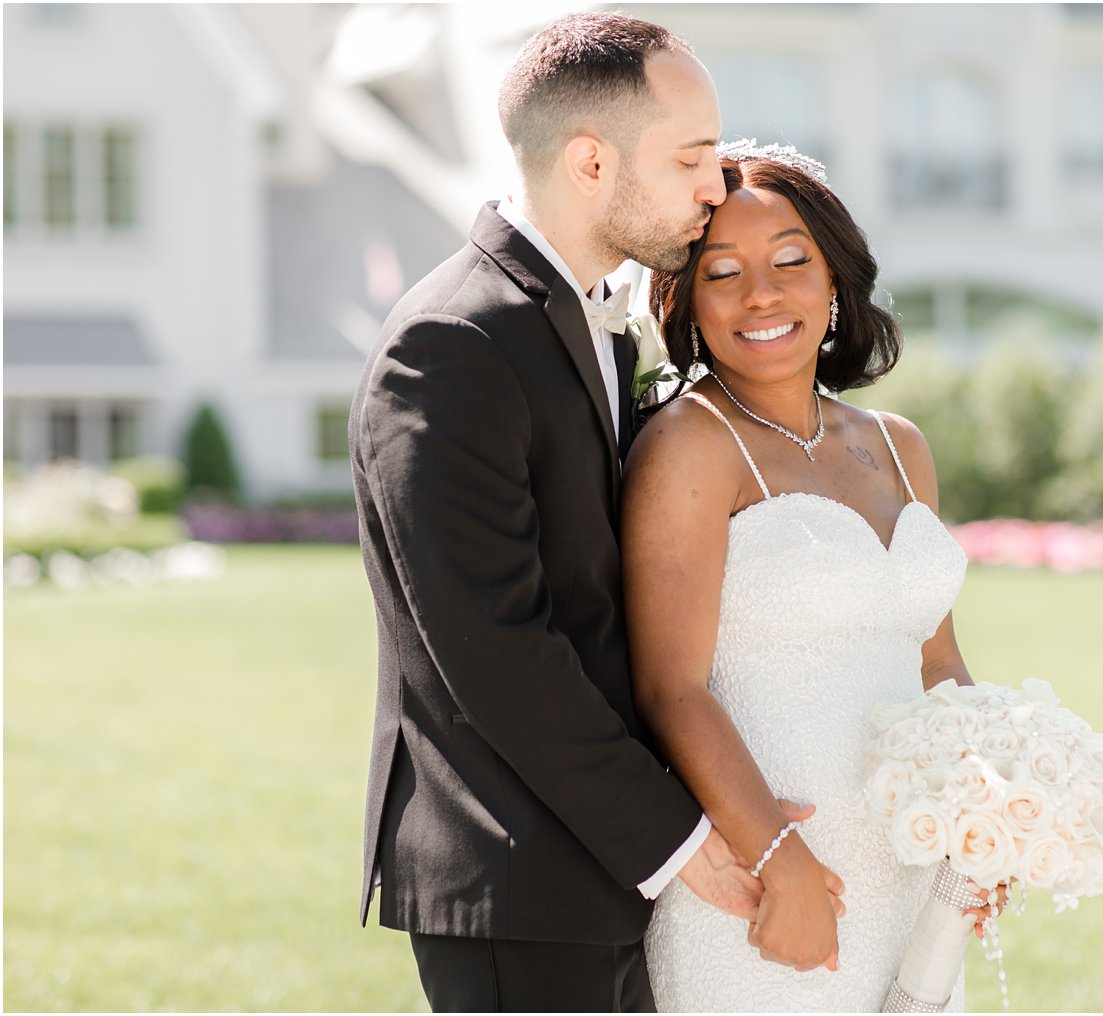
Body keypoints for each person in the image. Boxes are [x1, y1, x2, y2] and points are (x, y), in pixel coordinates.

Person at [348, 16, 837, 1012]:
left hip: (595, 875)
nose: (716, 185)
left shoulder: (595, 325)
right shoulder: (451, 345)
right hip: (513, 875)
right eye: (692, 158)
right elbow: (495, 647)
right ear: (588, 161)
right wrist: (686, 839)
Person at [624, 145, 1008, 1012]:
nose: (762, 294)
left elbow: (938, 663)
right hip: (771, 885)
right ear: (686, 301)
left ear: (834, 278)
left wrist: (990, 818)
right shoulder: (689, 447)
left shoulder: (900, 446)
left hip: (910, 880)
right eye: (723, 273)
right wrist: (776, 860)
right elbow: (670, 688)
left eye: (791, 261)